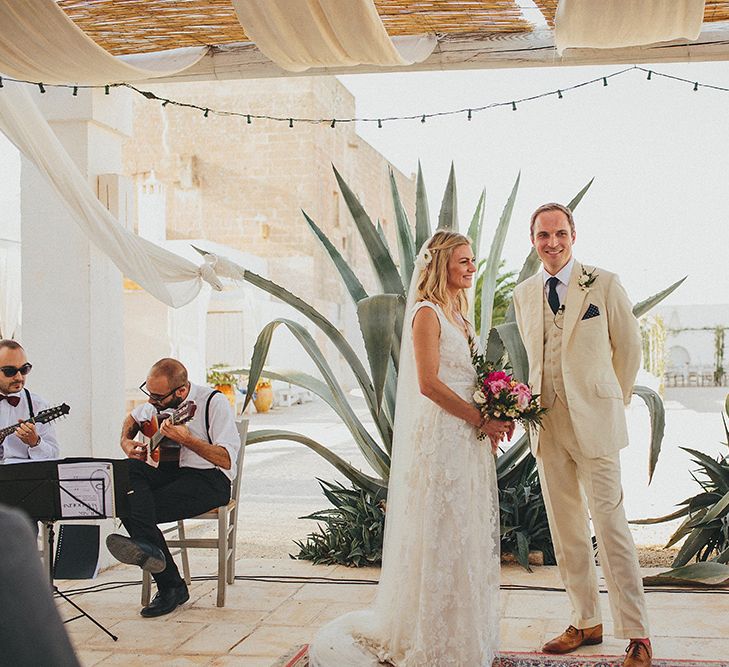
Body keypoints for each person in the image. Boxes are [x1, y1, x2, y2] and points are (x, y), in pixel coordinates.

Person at [309, 230, 510, 666]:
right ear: (441, 264)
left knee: (464, 532)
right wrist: (481, 418)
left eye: (472, 260)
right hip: (443, 438)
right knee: (442, 532)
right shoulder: (427, 314)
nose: (472, 267)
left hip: (469, 441)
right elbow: (428, 384)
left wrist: (498, 404)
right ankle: (431, 636)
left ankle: (459, 633)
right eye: (463, 260)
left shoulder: (460, 315)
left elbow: (472, 377)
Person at [512, 203, 651, 667]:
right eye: (542, 235)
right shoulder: (524, 293)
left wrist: (610, 399)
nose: (552, 242)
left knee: (611, 526)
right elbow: (534, 356)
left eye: (560, 233)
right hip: (546, 426)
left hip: (596, 423)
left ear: (574, 235)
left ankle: (637, 632)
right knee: (566, 529)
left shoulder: (603, 283)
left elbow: (628, 349)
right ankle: (585, 620)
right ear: (532, 240)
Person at [106, 357, 240, 618]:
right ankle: (165, 572)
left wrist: (188, 439)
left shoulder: (214, 402)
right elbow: (132, 419)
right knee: (125, 473)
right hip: (170, 474)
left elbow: (226, 459)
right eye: (149, 393)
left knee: (131, 506)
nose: (151, 402)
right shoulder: (156, 401)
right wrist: (125, 441)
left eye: (157, 397)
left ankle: (168, 584)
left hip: (210, 479)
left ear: (181, 391)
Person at [0, 339, 60, 461]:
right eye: (10, 371)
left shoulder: (38, 405)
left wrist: (35, 442)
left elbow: (53, 456)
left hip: (22, 477)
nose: (19, 377)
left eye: (24, 369)